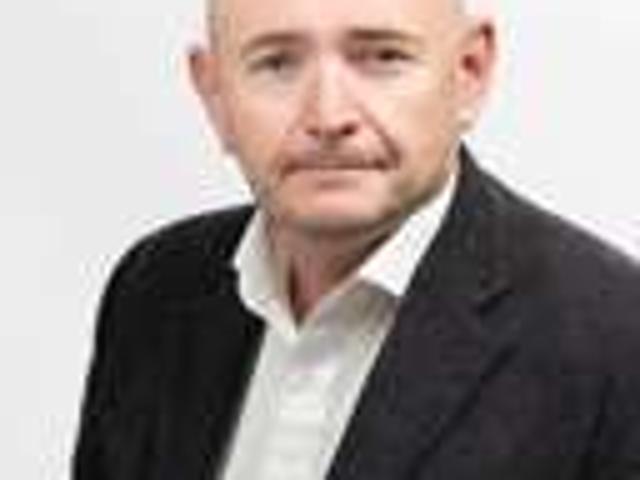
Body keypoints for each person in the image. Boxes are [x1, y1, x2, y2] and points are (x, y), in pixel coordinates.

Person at [72, 0, 640, 478]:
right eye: (277, 63)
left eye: (382, 58)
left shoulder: (615, 336)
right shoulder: (155, 288)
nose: (329, 115)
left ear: (469, 72)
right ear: (215, 94)